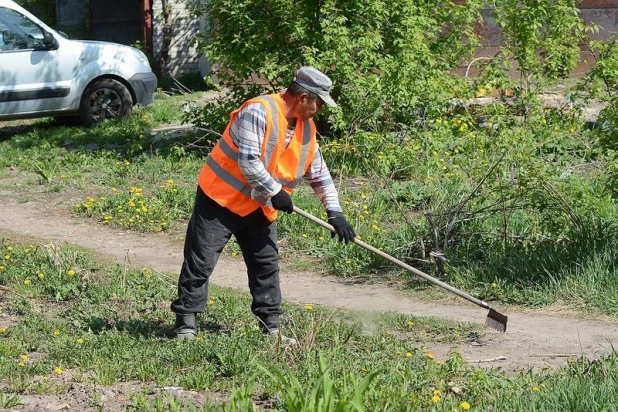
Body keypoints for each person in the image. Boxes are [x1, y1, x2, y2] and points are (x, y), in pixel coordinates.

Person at [170, 66, 356, 342]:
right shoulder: (259, 111)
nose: (318, 109)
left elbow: (319, 174)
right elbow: (248, 162)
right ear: (303, 97)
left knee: (266, 265)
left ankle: (271, 327)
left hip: (260, 207)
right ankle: (186, 324)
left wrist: (335, 212)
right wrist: (276, 191)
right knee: (201, 261)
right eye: (317, 102)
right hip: (220, 199)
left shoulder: (307, 129)